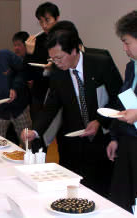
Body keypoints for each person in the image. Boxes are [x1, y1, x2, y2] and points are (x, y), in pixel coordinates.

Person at [21, 26, 123, 197]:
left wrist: (99, 121)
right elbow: (51, 106)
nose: (56, 62)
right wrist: (36, 131)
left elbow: (118, 97)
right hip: (72, 142)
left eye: (59, 58)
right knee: (71, 191)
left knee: (100, 191)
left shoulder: (100, 63)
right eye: (53, 59)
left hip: (101, 141)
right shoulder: (57, 72)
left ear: (75, 50)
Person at [106, 10, 137, 213]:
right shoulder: (131, 68)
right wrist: (114, 137)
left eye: (127, 42)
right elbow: (123, 103)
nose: (124, 48)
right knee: (122, 200)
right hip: (128, 142)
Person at [23, 2, 59, 120]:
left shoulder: (67, 38)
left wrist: (53, 67)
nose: (44, 25)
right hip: (40, 92)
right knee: (38, 130)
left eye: (47, 20)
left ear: (57, 18)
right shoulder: (38, 40)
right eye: (41, 21)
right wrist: (29, 53)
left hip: (61, 91)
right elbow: (27, 75)